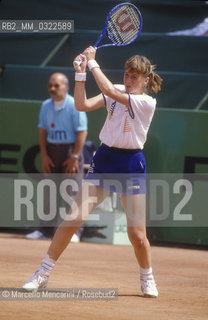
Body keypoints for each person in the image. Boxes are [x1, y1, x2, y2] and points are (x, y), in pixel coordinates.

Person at [22, 47, 162, 298]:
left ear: (146, 79)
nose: (128, 80)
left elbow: (108, 90)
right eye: (126, 75)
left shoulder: (147, 102)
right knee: (73, 218)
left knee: (137, 235)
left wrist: (92, 63)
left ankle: (147, 277)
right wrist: (80, 75)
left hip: (131, 164)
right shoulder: (117, 89)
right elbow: (82, 105)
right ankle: (42, 273)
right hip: (105, 159)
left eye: (134, 77)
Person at [25, 72, 88, 242]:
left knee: (72, 192)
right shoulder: (46, 105)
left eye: (56, 85)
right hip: (52, 151)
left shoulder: (74, 105)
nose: (52, 89)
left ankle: (75, 232)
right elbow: (42, 131)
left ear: (66, 87)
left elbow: (82, 131)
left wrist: (74, 156)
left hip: (71, 151)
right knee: (49, 191)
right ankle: (45, 230)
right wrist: (44, 156)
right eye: (50, 86)